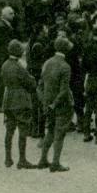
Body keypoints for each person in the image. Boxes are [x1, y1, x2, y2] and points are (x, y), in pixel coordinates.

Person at [37, 36, 75, 172]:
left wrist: (45, 102)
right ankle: (55, 162)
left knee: (50, 132)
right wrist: (55, 104)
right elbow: (64, 90)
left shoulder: (47, 63)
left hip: (47, 104)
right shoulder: (65, 66)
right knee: (59, 134)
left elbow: (40, 86)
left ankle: (42, 159)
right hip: (61, 105)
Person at [0, 39, 38, 169]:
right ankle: (22, 159)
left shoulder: (5, 65)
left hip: (8, 99)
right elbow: (30, 82)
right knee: (23, 129)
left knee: (9, 130)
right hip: (21, 100)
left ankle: (8, 158)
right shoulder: (19, 67)